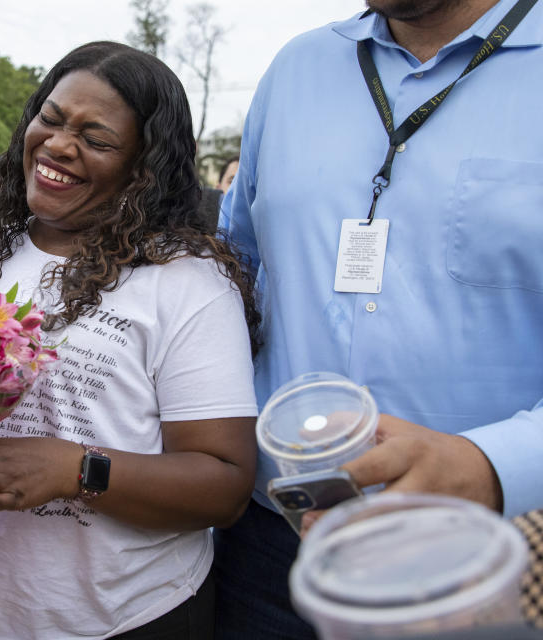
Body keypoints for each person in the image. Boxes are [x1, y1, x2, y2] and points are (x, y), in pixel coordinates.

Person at [0, 41, 261, 639]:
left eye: (96, 140)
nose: (59, 145)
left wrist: (79, 470)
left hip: (123, 618)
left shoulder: (186, 284)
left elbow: (224, 483)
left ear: (143, 167)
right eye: (50, 118)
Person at [216, 0, 543, 637]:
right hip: (268, 545)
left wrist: (491, 465)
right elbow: (234, 267)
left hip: (485, 561)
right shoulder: (294, 70)